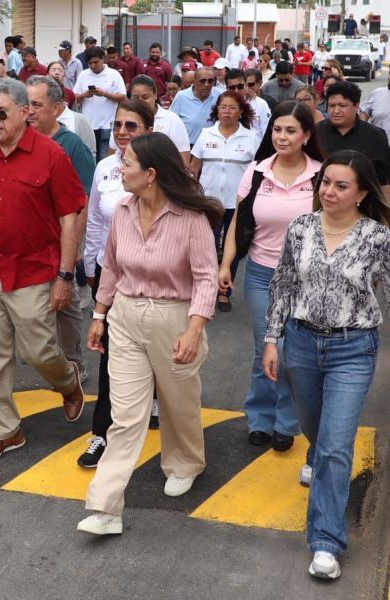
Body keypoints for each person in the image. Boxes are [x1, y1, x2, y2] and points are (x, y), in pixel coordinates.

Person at [77, 132, 221, 535]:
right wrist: (99, 314)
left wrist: (195, 329)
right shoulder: (122, 210)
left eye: (127, 163)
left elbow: (207, 278)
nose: (119, 168)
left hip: (175, 318)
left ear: (151, 174)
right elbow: (112, 267)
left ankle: (185, 462)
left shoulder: (191, 219)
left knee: (178, 403)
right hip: (125, 317)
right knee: (124, 416)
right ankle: (104, 507)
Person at [264, 150, 390, 580]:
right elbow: (282, 284)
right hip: (300, 344)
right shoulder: (300, 228)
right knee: (316, 434)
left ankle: (325, 541)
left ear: (361, 193)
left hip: (353, 348)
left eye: (341, 185)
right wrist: (271, 340)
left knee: (336, 446)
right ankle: (317, 458)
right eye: (326, 183)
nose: (330, 191)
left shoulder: (377, 236)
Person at [0, 78, 87, 464]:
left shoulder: (51, 155)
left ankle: (69, 383)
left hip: (34, 272)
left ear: (23, 112)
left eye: (1, 113)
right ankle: (6, 430)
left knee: (39, 352)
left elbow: (70, 218)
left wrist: (65, 277)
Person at [219, 100, 325, 450]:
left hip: (306, 280)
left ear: (306, 135)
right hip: (262, 275)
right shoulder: (257, 171)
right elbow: (238, 221)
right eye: (277, 129)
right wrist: (225, 263)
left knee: (295, 353)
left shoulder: (321, 175)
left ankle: (287, 422)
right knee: (268, 347)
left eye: (291, 130)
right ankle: (260, 418)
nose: (282, 136)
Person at [78, 100, 156, 467]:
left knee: (158, 354)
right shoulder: (105, 168)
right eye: (118, 125)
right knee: (110, 358)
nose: (122, 132)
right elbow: (94, 219)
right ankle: (101, 433)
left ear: (148, 131)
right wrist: (90, 263)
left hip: (155, 282)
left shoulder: (164, 172)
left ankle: (159, 411)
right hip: (110, 277)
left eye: (132, 126)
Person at [26, 75, 96, 381]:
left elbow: (84, 198)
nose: (28, 110)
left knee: (64, 302)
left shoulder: (71, 145)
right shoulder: (20, 139)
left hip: (60, 240)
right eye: (25, 103)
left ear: (56, 108)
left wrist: (76, 245)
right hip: (28, 240)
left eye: (36, 104)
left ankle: (73, 362)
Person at [190, 91, 259, 312]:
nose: (226, 112)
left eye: (231, 108)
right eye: (222, 107)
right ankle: (205, 289)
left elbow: (257, 172)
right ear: (216, 110)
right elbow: (193, 167)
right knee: (207, 247)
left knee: (233, 249)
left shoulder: (251, 138)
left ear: (241, 112)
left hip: (238, 203)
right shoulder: (206, 134)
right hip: (209, 202)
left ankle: (223, 291)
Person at [316, 81, 390, 186]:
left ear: (356, 105)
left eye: (342, 105)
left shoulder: (376, 136)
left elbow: (385, 181)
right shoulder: (316, 133)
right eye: (332, 106)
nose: (336, 111)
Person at [122, 74, 190, 165]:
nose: (141, 102)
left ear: (155, 94)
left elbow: (184, 159)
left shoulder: (172, 120)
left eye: (145, 97)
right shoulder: (124, 119)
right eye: (135, 98)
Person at [73, 46, 127, 162]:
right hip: (88, 124)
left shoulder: (114, 74)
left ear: (103, 59)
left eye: (96, 62)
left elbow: (122, 97)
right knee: (88, 159)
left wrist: (105, 94)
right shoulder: (83, 75)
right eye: (90, 63)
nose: (93, 66)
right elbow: (74, 97)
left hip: (107, 124)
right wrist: (85, 95)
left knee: (104, 159)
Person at [169, 67, 222, 146]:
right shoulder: (181, 96)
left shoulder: (219, 94)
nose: (207, 84)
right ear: (194, 82)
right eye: (202, 81)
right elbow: (171, 121)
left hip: (211, 146)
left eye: (210, 81)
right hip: (188, 146)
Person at [225, 68, 271, 138]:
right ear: (227, 88)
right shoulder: (223, 105)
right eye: (232, 87)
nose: (236, 90)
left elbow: (267, 132)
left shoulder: (260, 104)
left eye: (240, 86)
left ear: (246, 85)